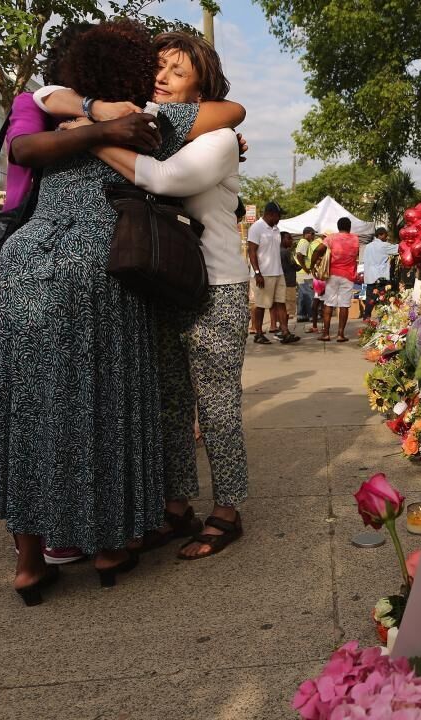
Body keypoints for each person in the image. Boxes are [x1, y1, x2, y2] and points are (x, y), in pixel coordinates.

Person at [0, 20, 216, 603]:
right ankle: (111, 548)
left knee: (26, 406)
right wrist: (116, 122)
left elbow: (22, 147)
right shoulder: (147, 121)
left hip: (28, 260)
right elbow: (230, 112)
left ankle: (31, 562)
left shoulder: (55, 119)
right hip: (100, 265)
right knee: (105, 402)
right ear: (137, 72)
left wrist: (87, 119)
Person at [75, 31, 252, 560]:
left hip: (216, 286)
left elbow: (166, 180)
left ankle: (228, 510)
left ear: (203, 87)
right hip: (163, 284)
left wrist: (92, 136)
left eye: (177, 71)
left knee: (217, 405)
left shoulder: (217, 139)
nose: (163, 78)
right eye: (159, 68)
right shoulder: (153, 129)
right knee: (171, 405)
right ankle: (178, 507)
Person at [247, 201, 299, 344]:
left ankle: (285, 332)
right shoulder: (256, 228)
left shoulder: (276, 229)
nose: (280, 218)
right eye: (278, 215)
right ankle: (258, 333)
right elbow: (251, 251)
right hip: (264, 274)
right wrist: (257, 272)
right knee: (261, 304)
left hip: (278, 272)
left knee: (280, 303)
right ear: (270, 214)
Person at [309, 217, 359, 342]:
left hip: (333, 274)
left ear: (338, 227)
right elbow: (356, 254)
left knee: (328, 303)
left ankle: (326, 334)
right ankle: (340, 334)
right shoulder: (355, 239)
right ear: (349, 227)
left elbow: (318, 250)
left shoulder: (331, 238)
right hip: (348, 275)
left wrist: (312, 265)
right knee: (344, 305)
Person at [361, 227, 398, 319]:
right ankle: (382, 319)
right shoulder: (384, 245)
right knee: (382, 299)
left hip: (369, 277)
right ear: (380, 235)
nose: (387, 237)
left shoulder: (368, 246)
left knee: (370, 299)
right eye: (385, 235)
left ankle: (366, 317)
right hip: (380, 277)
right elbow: (398, 248)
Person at [276, 231, 299, 335]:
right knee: (288, 308)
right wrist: (305, 265)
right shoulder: (286, 252)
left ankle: (282, 328)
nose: (291, 241)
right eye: (289, 238)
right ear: (282, 240)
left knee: (283, 306)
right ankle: (284, 329)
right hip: (288, 282)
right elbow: (295, 266)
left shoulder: (277, 251)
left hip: (281, 281)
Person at [294, 226, 316, 322]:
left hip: (301, 273)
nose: (313, 236)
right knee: (309, 294)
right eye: (312, 234)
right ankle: (311, 315)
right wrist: (305, 268)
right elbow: (299, 256)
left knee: (303, 295)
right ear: (307, 234)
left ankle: (301, 315)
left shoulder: (305, 242)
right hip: (304, 273)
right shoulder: (304, 242)